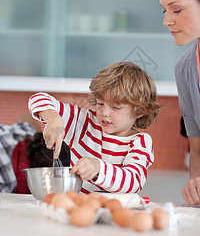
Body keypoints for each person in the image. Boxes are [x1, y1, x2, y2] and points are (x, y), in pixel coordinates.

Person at [28, 61, 161, 194]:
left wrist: (98, 168)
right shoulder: (84, 123)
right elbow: (38, 98)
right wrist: (53, 118)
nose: (104, 113)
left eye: (115, 107)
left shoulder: (140, 142)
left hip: (116, 212)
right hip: (78, 209)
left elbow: (133, 181)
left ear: (140, 110)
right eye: (100, 103)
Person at [160, 0, 200, 205]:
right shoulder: (185, 70)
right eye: (164, 11)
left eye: (176, 10)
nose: (167, 21)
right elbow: (197, 149)